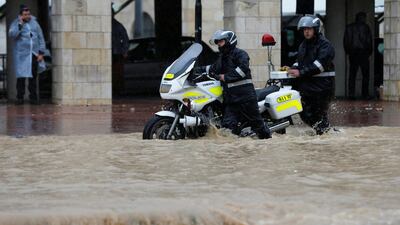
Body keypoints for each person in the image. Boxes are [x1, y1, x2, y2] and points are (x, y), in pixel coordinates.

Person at [199, 30, 271, 139]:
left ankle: (268, 143)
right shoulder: (222, 57)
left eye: (221, 41)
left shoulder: (240, 54)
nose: (218, 44)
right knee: (226, 130)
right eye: (217, 42)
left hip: (245, 98)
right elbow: (212, 68)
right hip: (231, 100)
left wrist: (225, 77)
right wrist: (196, 70)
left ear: (229, 41)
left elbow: (242, 69)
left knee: (258, 125)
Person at [288, 16, 335, 135]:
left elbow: (319, 66)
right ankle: (325, 134)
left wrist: (301, 72)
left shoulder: (325, 45)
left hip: (322, 88)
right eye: (304, 29)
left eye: (309, 29)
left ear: (316, 29)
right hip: (308, 87)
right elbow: (299, 61)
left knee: (317, 114)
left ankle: (327, 135)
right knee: (304, 113)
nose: (306, 32)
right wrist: (293, 68)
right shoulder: (303, 45)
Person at [8, 4, 46, 105]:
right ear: (20, 15)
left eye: (28, 14)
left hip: (34, 54)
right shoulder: (15, 23)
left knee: (33, 77)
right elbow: (12, 34)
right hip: (21, 55)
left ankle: (33, 98)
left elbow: (41, 37)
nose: (27, 16)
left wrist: (41, 53)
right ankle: (19, 98)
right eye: (25, 14)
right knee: (21, 77)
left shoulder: (35, 23)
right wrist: (20, 24)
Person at [343, 12, 373, 99]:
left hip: (353, 54)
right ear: (363, 18)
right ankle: (365, 94)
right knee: (365, 75)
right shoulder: (366, 27)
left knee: (352, 75)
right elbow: (369, 41)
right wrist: (369, 53)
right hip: (364, 53)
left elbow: (345, 41)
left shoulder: (349, 27)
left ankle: (351, 94)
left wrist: (348, 52)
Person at [112, 7, 129, 97]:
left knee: (117, 74)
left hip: (116, 54)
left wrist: (124, 51)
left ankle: (117, 90)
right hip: (113, 53)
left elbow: (125, 39)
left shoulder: (118, 26)